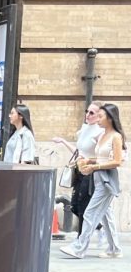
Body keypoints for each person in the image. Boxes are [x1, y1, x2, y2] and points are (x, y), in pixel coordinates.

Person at [60, 101, 124, 259]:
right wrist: (89, 161)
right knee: (105, 215)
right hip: (97, 178)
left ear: (110, 118)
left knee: (89, 213)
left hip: (106, 180)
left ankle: (79, 248)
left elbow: (117, 161)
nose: (98, 119)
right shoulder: (103, 135)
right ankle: (114, 249)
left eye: (101, 116)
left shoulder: (116, 137)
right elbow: (101, 157)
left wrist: (93, 167)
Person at [53, 102, 103, 242]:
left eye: (92, 113)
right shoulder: (84, 129)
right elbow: (78, 152)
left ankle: (81, 240)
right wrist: (63, 141)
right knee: (74, 206)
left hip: (91, 173)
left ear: (99, 115)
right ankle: (99, 228)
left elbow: (103, 156)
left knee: (83, 206)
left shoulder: (100, 132)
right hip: (79, 171)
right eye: (87, 111)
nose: (88, 115)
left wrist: (88, 160)